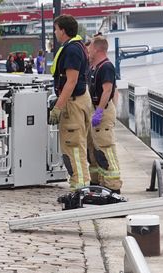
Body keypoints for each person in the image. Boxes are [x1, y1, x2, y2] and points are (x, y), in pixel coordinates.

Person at [50, 14, 93, 189]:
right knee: (78, 144)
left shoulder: (71, 50)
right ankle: (80, 184)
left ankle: (80, 187)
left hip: (73, 103)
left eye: (55, 29)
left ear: (63, 30)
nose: (54, 33)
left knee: (73, 145)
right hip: (80, 99)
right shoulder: (77, 46)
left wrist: (57, 108)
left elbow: (71, 81)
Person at [86, 35, 122, 190]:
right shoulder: (95, 67)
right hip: (95, 109)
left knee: (106, 149)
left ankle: (113, 186)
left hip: (103, 111)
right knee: (95, 150)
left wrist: (99, 111)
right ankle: (98, 182)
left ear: (97, 48)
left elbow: (108, 90)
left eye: (90, 47)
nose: (88, 50)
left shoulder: (106, 67)